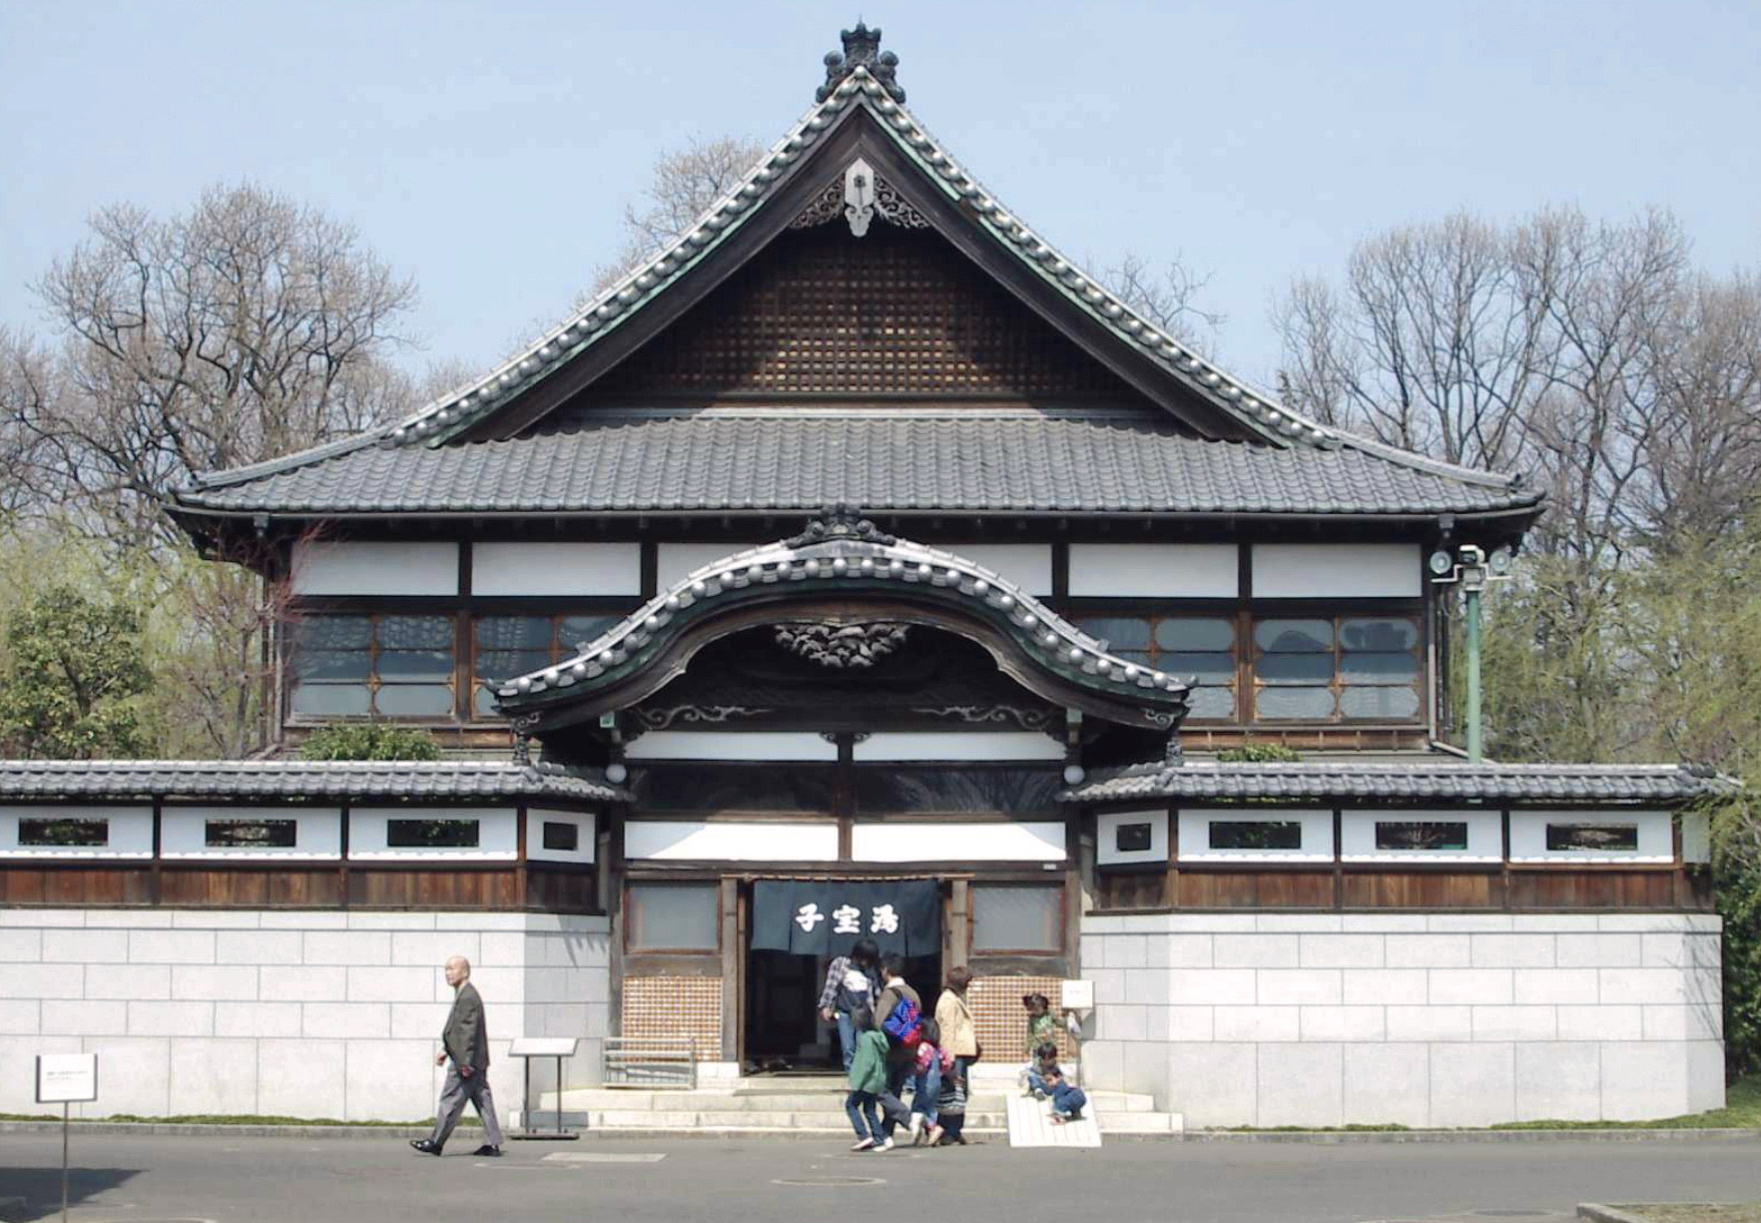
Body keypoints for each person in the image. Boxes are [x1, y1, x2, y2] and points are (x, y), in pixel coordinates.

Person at [410, 955, 503, 1157]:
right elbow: (460, 1029)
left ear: (465, 972)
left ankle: (436, 1142)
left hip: (465, 1061)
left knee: (450, 1099)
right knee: (483, 1100)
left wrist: (465, 1063)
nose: (448, 973)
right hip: (472, 1059)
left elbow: (468, 1032)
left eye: (452, 969)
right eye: (446, 969)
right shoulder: (465, 993)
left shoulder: (468, 996)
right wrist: (446, 1049)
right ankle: (492, 1142)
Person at [818, 937, 880, 1072]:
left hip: (864, 1013)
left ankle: (861, 1077)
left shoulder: (870, 970)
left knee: (862, 1046)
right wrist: (826, 1006)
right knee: (848, 1047)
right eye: (863, 958)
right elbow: (831, 986)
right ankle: (851, 1077)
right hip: (844, 1012)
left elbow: (875, 994)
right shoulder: (841, 964)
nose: (865, 962)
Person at [844, 1004, 888, 1151]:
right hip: (876, 1080)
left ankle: (863, 1135)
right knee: (869, 1109)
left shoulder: (866, 1039)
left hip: (866, 1081)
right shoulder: (878, 1036)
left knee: (851, 1105)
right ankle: (879, 1138)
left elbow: (865, 1064)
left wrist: (854, 1083)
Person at [906, 1016, 954, 1146]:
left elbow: (922, 1064)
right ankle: (932, 1133)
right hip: (937, 1082)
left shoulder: (924, 1047)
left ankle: (926, 1129)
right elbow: (947, 1064)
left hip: (925, 1083)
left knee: (918, 1108)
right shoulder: (938, 1049)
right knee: (930, 1109)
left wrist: (912, 1073)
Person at [934, 966, 979, 1106]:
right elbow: (947, 1030)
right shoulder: (949, 1000)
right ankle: (952, 1126)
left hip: (959, 1053)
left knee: (959, 1092)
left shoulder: (954, 998)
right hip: (955, 1054)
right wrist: (948, 1058)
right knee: (954, 1093)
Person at [1020, 993, 1060, 1092]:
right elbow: (1029, 1033)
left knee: (1051, 1066)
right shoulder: (1032, 1018)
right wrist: (1026, 1048)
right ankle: (1035, 1086)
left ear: (1043, 1007)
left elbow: (1060, 1022)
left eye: (1037, 1009)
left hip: (1049, 1045)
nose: (1036, 1011)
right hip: (1037, 1046)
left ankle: (1052, 1085)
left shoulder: (1050, 1015)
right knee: (1036, 1066)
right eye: (1034, 1009)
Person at [1040, 1060, 1089, 1125]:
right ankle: (1076, 1114)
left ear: (1059, 1078)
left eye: (1050, 1080)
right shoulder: (1064, 1082)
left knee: (1060, 1103)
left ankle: (1059, 1119)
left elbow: (1057, 1099)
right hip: (1081, 1096)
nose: (1049, 1083)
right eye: (1047, 1081)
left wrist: (1055, 1110)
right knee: (1069, 1102)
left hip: (1073, 1097)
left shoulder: (1060, 1085)